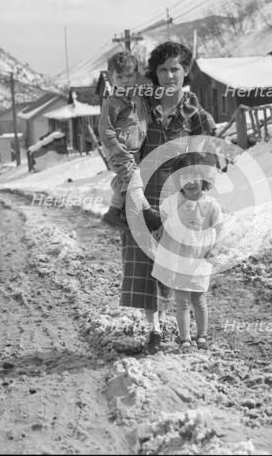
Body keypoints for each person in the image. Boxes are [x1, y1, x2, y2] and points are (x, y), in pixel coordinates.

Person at [120, 41, 216, 354]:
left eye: (175, 68)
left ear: (186, 71)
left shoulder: (196, 114)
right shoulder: (141, 109)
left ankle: (188, 331)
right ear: (155, 73)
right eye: (162, 69)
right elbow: (126, 152)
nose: (169, 75)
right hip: (143, 197)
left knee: (176, 267)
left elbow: (206, 158)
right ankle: (155, 331)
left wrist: (199, 195)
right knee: (146, 267)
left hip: (178, 201)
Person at [152, 152, 223, 352]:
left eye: (194, 177)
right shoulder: (172, 202)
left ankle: (202, 335)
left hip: (199, 259)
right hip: (178, 258)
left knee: (199, 299)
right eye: (184, 177)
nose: (189, 182)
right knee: (182, 300)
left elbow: (220, 229)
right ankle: (185, 338)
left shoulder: (210, 205)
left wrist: (216, 247)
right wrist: (160, 231)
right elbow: (164, 219)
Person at [98, 50, 154, 229]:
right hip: (119, 151)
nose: (125, 80)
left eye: (129, 75)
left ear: (136, 75)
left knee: (125, 180)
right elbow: (104, 129)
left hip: (134, 151)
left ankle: (115, 212)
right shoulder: (112, 103)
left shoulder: (138, 99)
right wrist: (115, 148)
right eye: (120, 76)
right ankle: (147, 212)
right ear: (111, 77)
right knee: (134, 180)